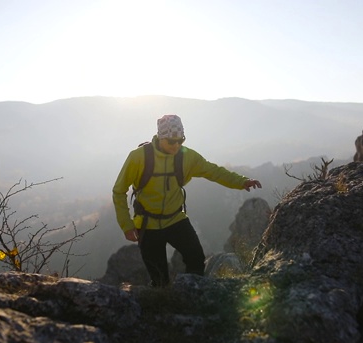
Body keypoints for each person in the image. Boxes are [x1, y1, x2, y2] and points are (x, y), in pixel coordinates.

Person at [112, 114, 262, 286]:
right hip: (148, 224)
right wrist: (127, 225)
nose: (176, 145)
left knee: (196, 259)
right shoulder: (139, 157)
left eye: (180, 140)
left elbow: (213, 171)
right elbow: (119, 191)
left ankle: (193, 296)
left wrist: (242, 181)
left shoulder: (186, 157)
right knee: (159, 279)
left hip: (176, 219)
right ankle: (164, 306)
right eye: (171, 141)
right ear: (160, 137)